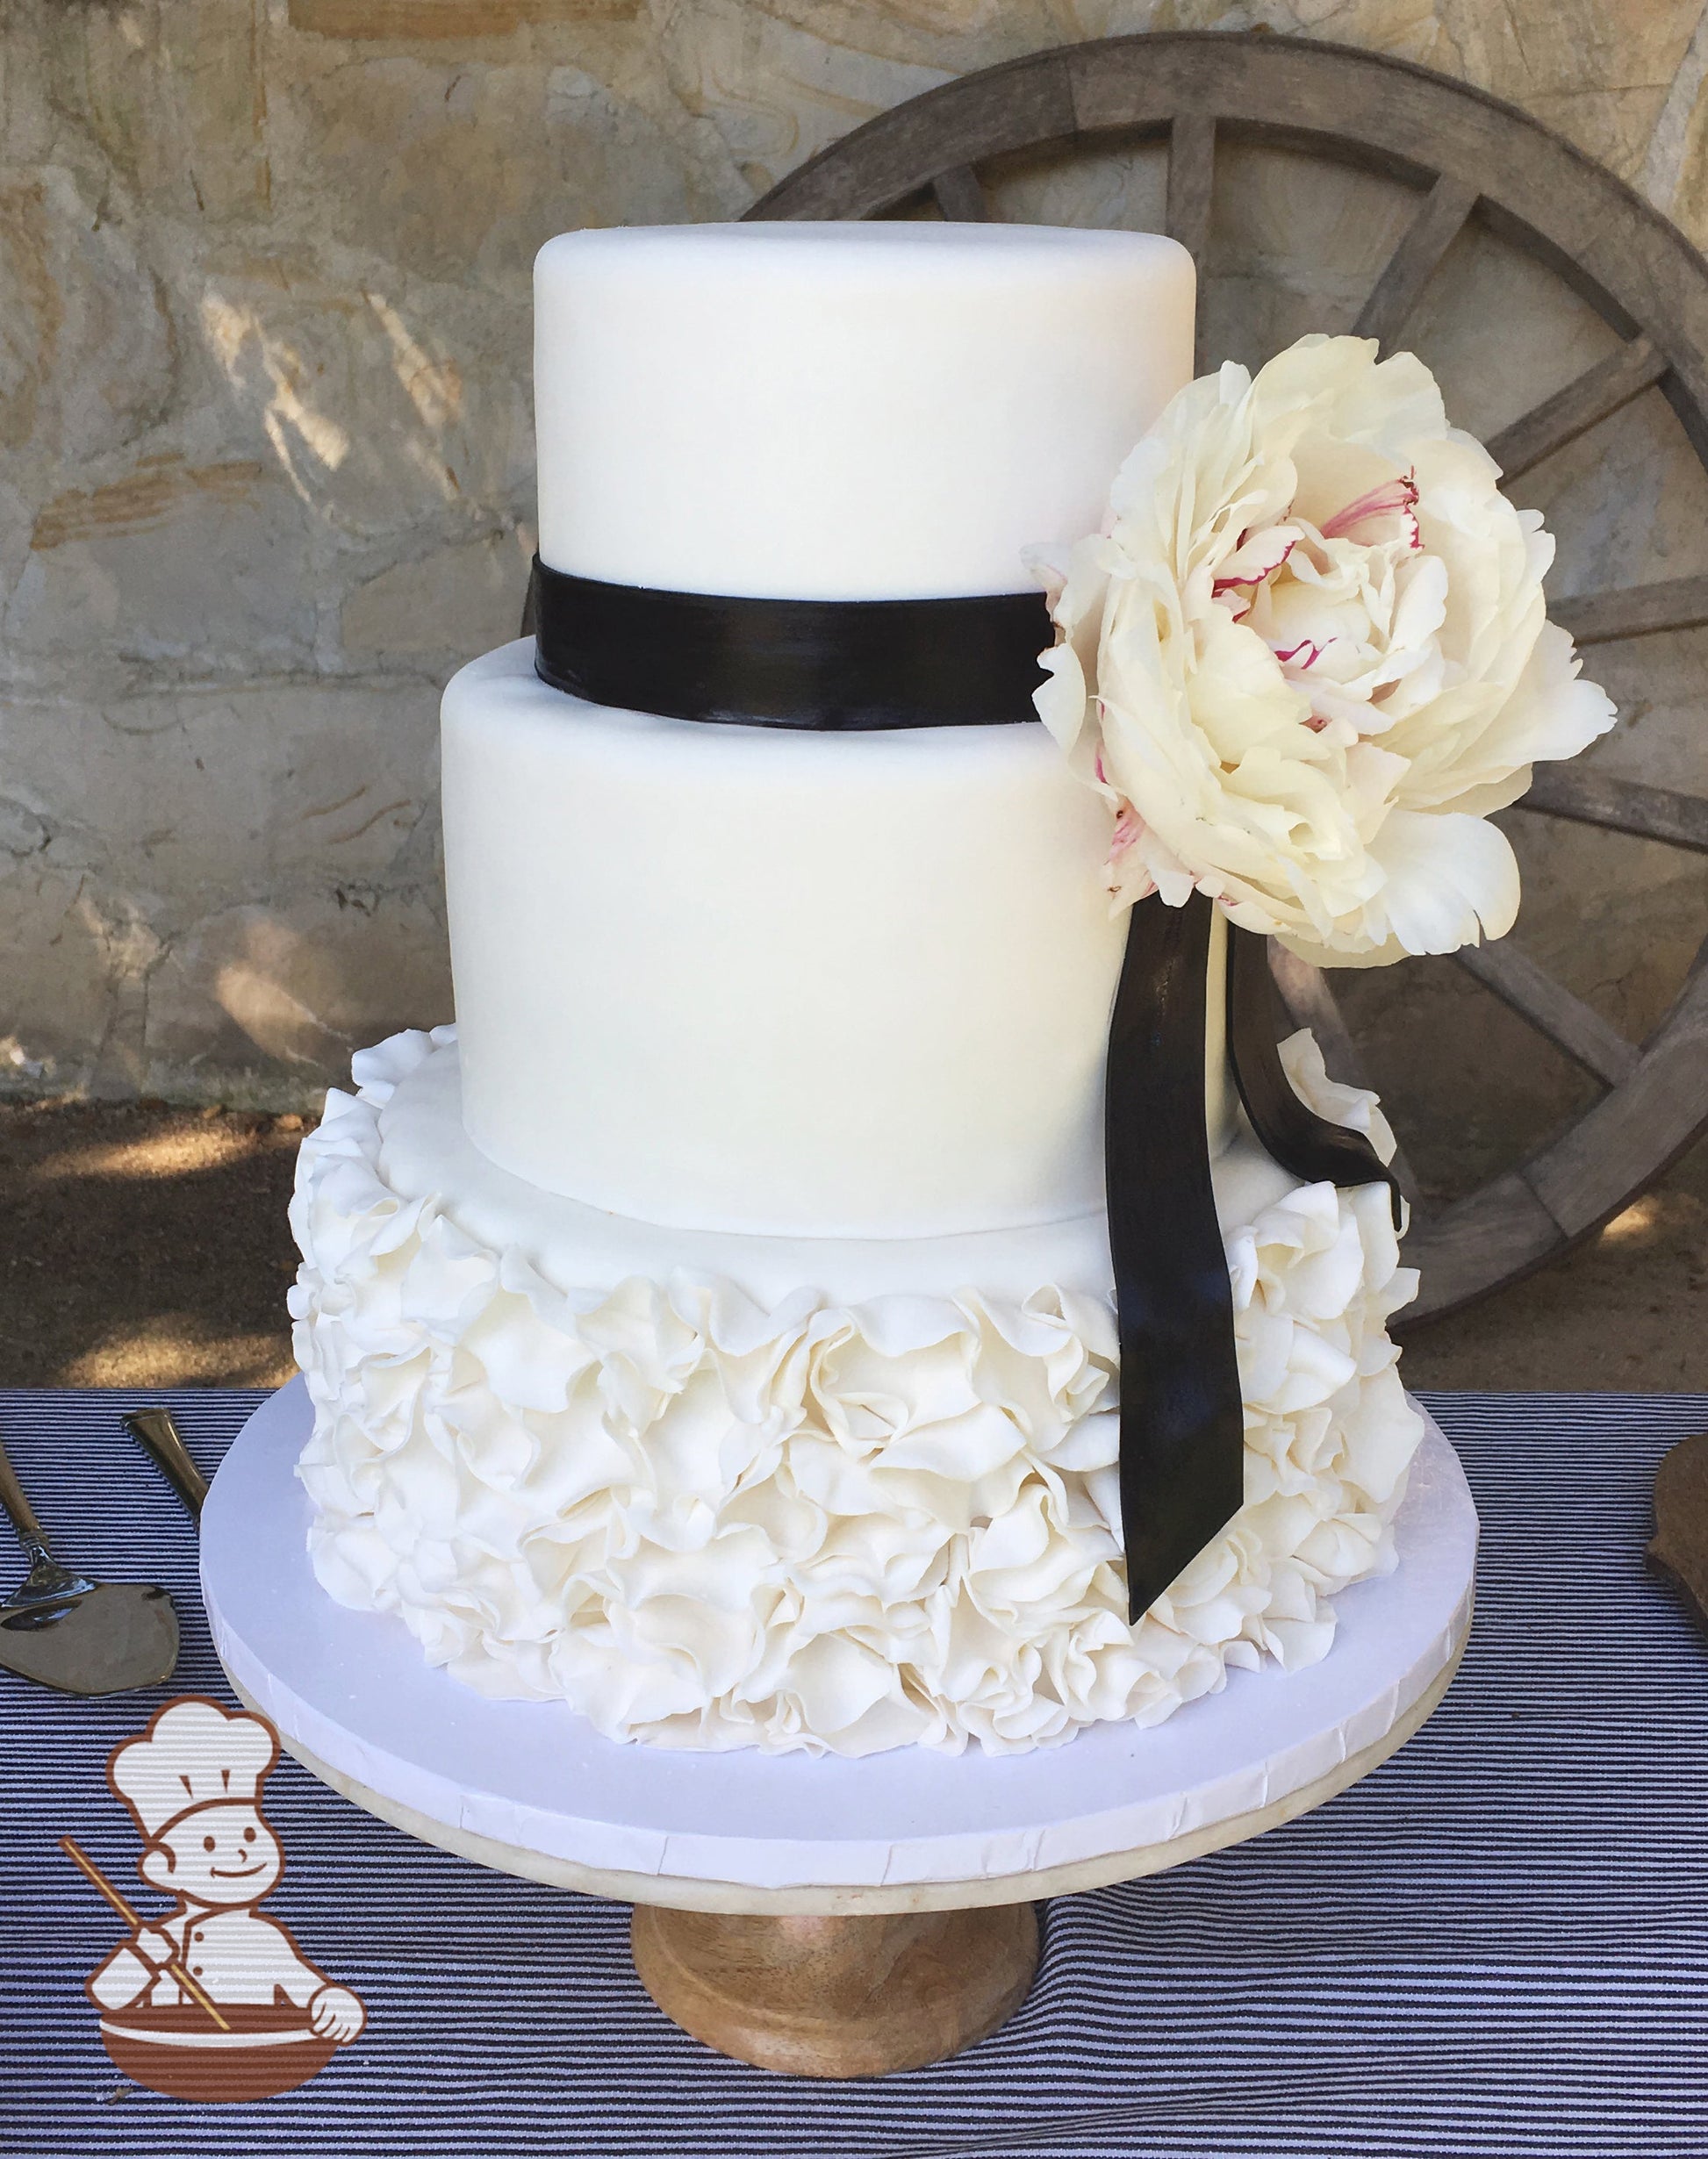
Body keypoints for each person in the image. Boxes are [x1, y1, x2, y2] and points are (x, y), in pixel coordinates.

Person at [87, 1695, 364, 2043]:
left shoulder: (264, 1940)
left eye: (250, 1834)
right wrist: (142, 1958)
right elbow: (109, 1996)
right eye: (208, 1844)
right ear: (163, 1870)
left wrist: (334, 2002)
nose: (240, 1852)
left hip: (255, 2043)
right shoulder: (163, 1940)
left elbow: (308, 1988)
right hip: (163, 2045)